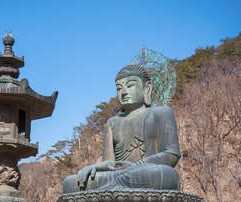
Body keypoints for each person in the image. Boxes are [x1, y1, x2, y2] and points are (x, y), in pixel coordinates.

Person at [62, 64, 180, 193]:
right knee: (71, 183)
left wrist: (135, 167)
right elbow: (109, 163)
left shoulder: (161, 113)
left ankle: (115, 189)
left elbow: (171, 154)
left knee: (161, 174)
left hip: (144, 173)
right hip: (118, 175)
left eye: (130, 86)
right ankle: (116, 188)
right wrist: (94, 168)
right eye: (119, 88)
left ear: (147, 88)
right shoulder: (112, 122)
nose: (123, 92)